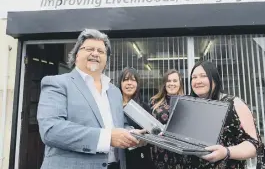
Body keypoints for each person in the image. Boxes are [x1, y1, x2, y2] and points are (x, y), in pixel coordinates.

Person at [37, 29, 145, 169]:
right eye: (89, 49)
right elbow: (51, 130)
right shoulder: (57, 83)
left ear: (106, 60)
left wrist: (132, 134)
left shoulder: (114, 91)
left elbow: (118, 126)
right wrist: (108, 138)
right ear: (76, 55)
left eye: (101, 51)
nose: (95, 53)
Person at [182, 60, 265, 169]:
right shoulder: (189, 105)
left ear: (215, 79)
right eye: (194, 77)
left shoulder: (234, 103)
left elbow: (255, 146)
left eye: (203, 76)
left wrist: (227, 152)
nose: (198, 81)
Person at [118, 67, 154, 169]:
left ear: (137, 84)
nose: (129, 83)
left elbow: (152, 133)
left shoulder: (144, 107)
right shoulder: (113, 107)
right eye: (125, 80)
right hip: (119, 158)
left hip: (140, 159)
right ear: (120, 83)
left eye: (133, 80)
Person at [149, 69, 185, 169]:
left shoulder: (186, 102)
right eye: (168, 81)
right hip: (158, 153)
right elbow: (149, 125)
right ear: (164, 83)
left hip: (179, 154)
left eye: (175, 81)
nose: (171, 84)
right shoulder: (154, 102)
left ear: (180, 83)